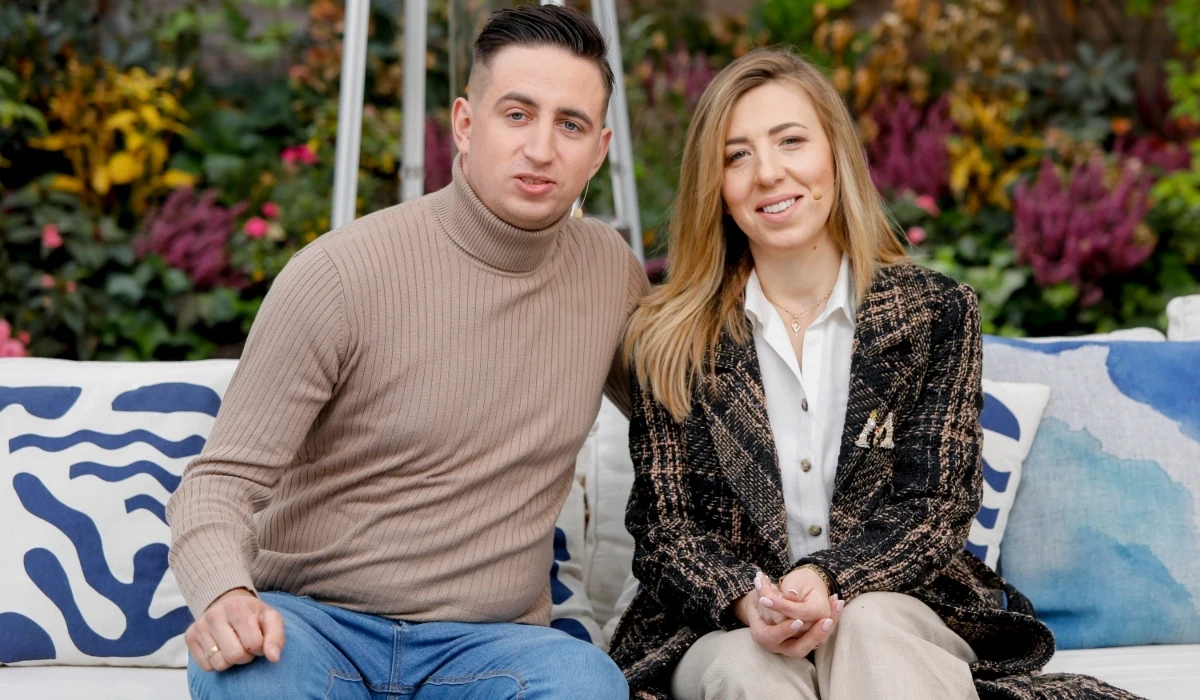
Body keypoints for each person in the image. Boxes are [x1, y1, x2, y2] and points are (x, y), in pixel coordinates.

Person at [608, 48, 1141, 700]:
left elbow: (934, 509)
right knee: (749, 670)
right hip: (724, 625)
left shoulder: (934, 314)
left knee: (868, 628)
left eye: (791, 141)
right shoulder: (670, 337)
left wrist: (826, 579)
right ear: (714, 186)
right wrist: (752, 602)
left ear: (836, 153)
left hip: (897, 603)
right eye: (736, 155)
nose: (768, 172)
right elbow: (665, 531)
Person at [166, 5, 647, 699]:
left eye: (569, 125)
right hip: (315, 626)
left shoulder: (607, 271)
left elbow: (689, 419)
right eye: (517, 115)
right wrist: (225, 594)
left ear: (599, 150)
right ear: (465, 124)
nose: (541, 149)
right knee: (253, 680)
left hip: (489, 645)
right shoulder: (339, 275)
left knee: (587, 685)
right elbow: (219, 483)